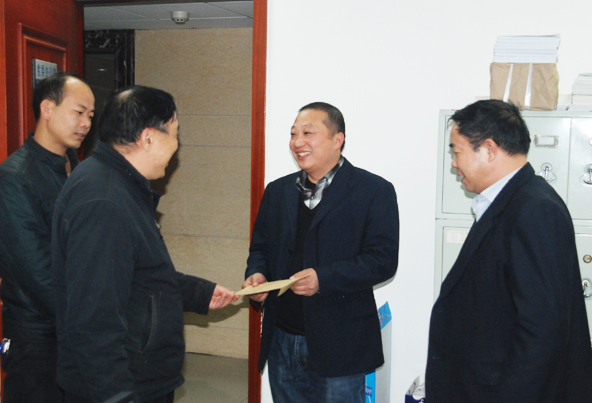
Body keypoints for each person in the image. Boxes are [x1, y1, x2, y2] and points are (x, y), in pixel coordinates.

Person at [51, 85, 238, 403]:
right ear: (148, 138)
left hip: (138, 377)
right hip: (121, 385)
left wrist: (200, 293)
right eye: (175, 134)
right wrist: (118, 396)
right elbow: (95, 320)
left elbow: (140, 275)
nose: (176, 146)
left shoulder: (118, 184)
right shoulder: (104, 201)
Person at [426, 100, 592, 402]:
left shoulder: (534, 210)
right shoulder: (509, 202)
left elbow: (542, 332)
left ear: (489, 149)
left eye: (456, 152)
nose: (453, 164)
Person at [243, 102, 399, 402]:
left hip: (340, 342)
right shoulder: (278, 190)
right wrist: (257, 274)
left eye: (308, 133)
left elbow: (382, 261)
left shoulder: (373, 190)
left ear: (337, 139)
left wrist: (323, 279)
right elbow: (260, 247)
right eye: (293, 134)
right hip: (282, 338)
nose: (297, 142)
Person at [0, 72, 94, 403]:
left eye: (91, 115)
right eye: (79, 112)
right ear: (47, 109)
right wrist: (91, 321)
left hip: (74, 326)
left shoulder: (77, 169)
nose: (86, 123)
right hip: (36, 337)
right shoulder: (14, 178)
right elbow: (35, 271)